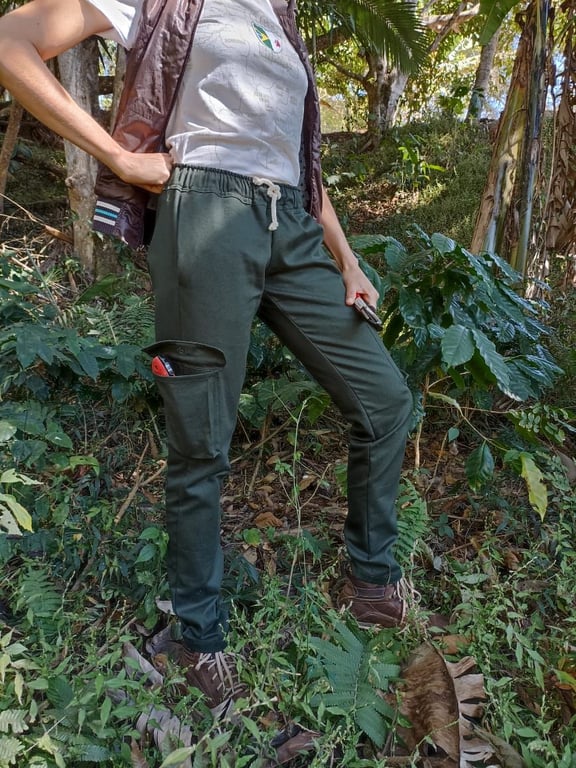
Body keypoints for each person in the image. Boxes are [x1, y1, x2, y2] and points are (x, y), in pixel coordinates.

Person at [0, 0, 414, 711]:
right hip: (206, 210)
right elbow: (10, 40)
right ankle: (199, 635)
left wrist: (346, 261)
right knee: (204, 440)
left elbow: (297, 157)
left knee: (385, 400)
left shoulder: (279, 17)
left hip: (292, 225)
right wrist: (119, 157)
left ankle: (372, 579)